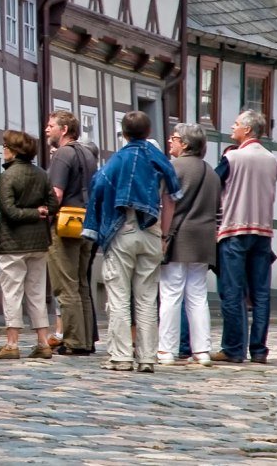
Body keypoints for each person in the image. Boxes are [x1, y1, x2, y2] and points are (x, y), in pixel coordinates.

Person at [83, 110, 179, 373]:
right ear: (149, 133)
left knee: (119, 297)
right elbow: (170, 200)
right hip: (152, 230)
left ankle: (122, 356)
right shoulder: (160, 161)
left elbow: (97, 187)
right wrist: (164, 236)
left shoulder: (118, 161)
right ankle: (148, 357)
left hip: (122, 230)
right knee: (148, 298)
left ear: (123, 134)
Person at [213, 109, 277, 365]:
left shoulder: (233, 157)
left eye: (237, 123)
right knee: (261, 294)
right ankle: (259, 350)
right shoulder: (272, 160)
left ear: (248, 130)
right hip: (262, 232)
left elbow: (214, 183)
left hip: (234, 229)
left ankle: (233, 348)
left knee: (233, 291)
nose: (233, 126)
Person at [0, 130, 58, 360]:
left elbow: (9, 212)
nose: (3, 150)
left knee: (12, 292)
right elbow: (53, 204)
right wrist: (40, 212)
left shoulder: (7, 177)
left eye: (5, 146)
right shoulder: (42, 174)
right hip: (39, 241)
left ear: (12, 150)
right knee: (37, 292)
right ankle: (42, 341)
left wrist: (31, 212)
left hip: (13, 242)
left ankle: (12, 343)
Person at [157, 123, 219, 366]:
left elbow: (165, 205)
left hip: (178, 235)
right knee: (197, 295)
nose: (170, 142)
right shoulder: (210, 172)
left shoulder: (172, 168)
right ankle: (202, 350)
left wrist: (162, 236)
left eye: (173, 138)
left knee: (171, 293)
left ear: (184, 143)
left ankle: (166, 350)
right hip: (203, 238)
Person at [45, 110, 99, 356]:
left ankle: (74, 340)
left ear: (64, 130)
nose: (47, 129)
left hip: (66, 224)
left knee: (65, 285)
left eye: (51, 125)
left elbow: (56, 193)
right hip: (87, 222)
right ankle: (86, 339)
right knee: (81, 284)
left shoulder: (63, 155)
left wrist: (42, 211)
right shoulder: (87, 154)